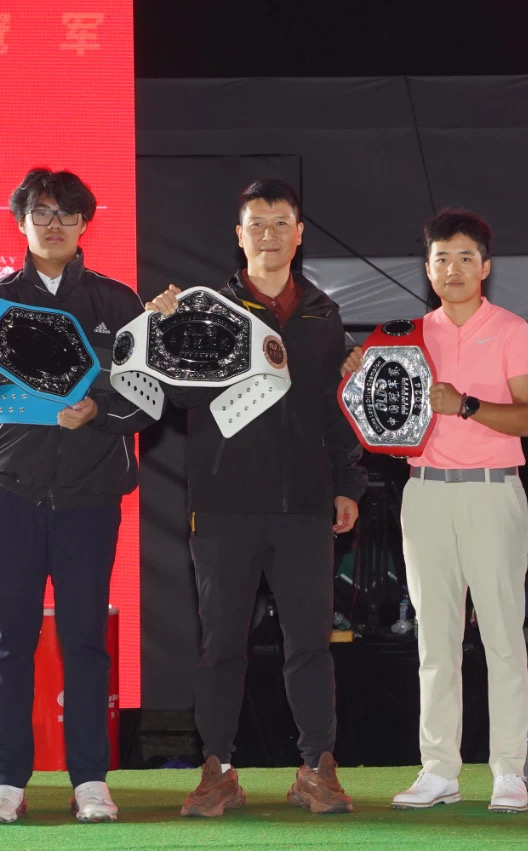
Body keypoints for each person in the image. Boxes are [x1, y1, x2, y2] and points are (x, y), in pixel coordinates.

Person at [0, 168, 154, 824]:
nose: (54, 225)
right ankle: (6, 780)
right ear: (21, 222)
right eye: (41, 213)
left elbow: (149, 398)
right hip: (10, 488)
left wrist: (99, 410)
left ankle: (91, 780)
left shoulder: (118, 302)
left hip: (91, 492)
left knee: (86, 639)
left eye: (66, 214)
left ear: (85, 223)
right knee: (9, 641)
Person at [147, 178, 367, 817]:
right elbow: (177, 398)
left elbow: (332, 412)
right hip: (223, 506)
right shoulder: (206, 308)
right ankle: (216, 768)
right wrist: (166, 332)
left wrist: (348, 484)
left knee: (310, 645)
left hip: (305, 507)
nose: (269, 235)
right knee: (221, 646)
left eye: (281, 223)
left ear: (299, 235)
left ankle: (318, 767)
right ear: (239, 236)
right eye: (257, 224)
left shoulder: (324, 314)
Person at [342, 209, 528, 813]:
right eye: (441, 259)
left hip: (492, 490)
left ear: (485, 266)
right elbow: (370, 409)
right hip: (424, 491)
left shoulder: (510, 329)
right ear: (427, 269)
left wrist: (467, 405)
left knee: (503, 637)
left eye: (464, 258)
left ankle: (510, 770)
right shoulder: (403, 336)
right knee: (434, 639)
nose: (452, 269)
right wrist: (355, 376)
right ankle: (438, 770)